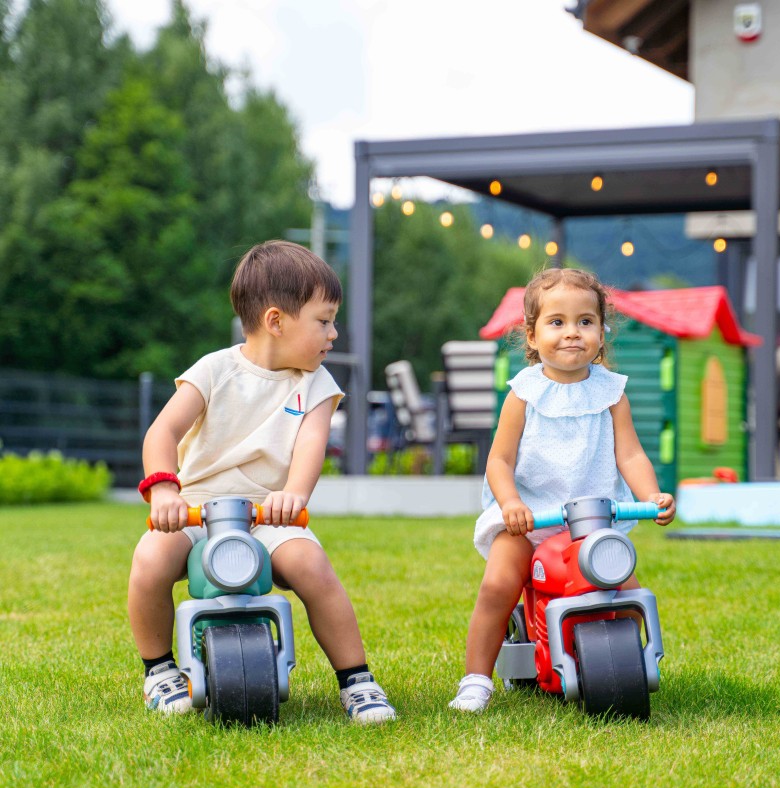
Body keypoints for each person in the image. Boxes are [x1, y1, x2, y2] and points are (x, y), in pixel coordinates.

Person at [128, 240, 396, 724]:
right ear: (276, 321)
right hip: (198, 508)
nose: (334, 333)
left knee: (312, 566)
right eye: (324, 320)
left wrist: (294, 495)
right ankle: (159, 670)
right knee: (150, 558)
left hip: (268, 512)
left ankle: (357, 680)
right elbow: (161, 432)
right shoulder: (214, 370)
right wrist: (165, 489)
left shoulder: (316, 383)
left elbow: (310, 446)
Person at [449, 268, 676, 713]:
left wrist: (651, 495)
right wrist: (510, 503)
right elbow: (500, 460)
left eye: (585, 321)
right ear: (532, 336)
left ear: (601, 332)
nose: (572, 333)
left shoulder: (612, 393)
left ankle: (638, 662)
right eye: (557, 322)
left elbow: (629, 455)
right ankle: (476, 679)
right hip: (529, 520)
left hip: (588, 524)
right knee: (498, 585)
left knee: (626, 589)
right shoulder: (524, 393)